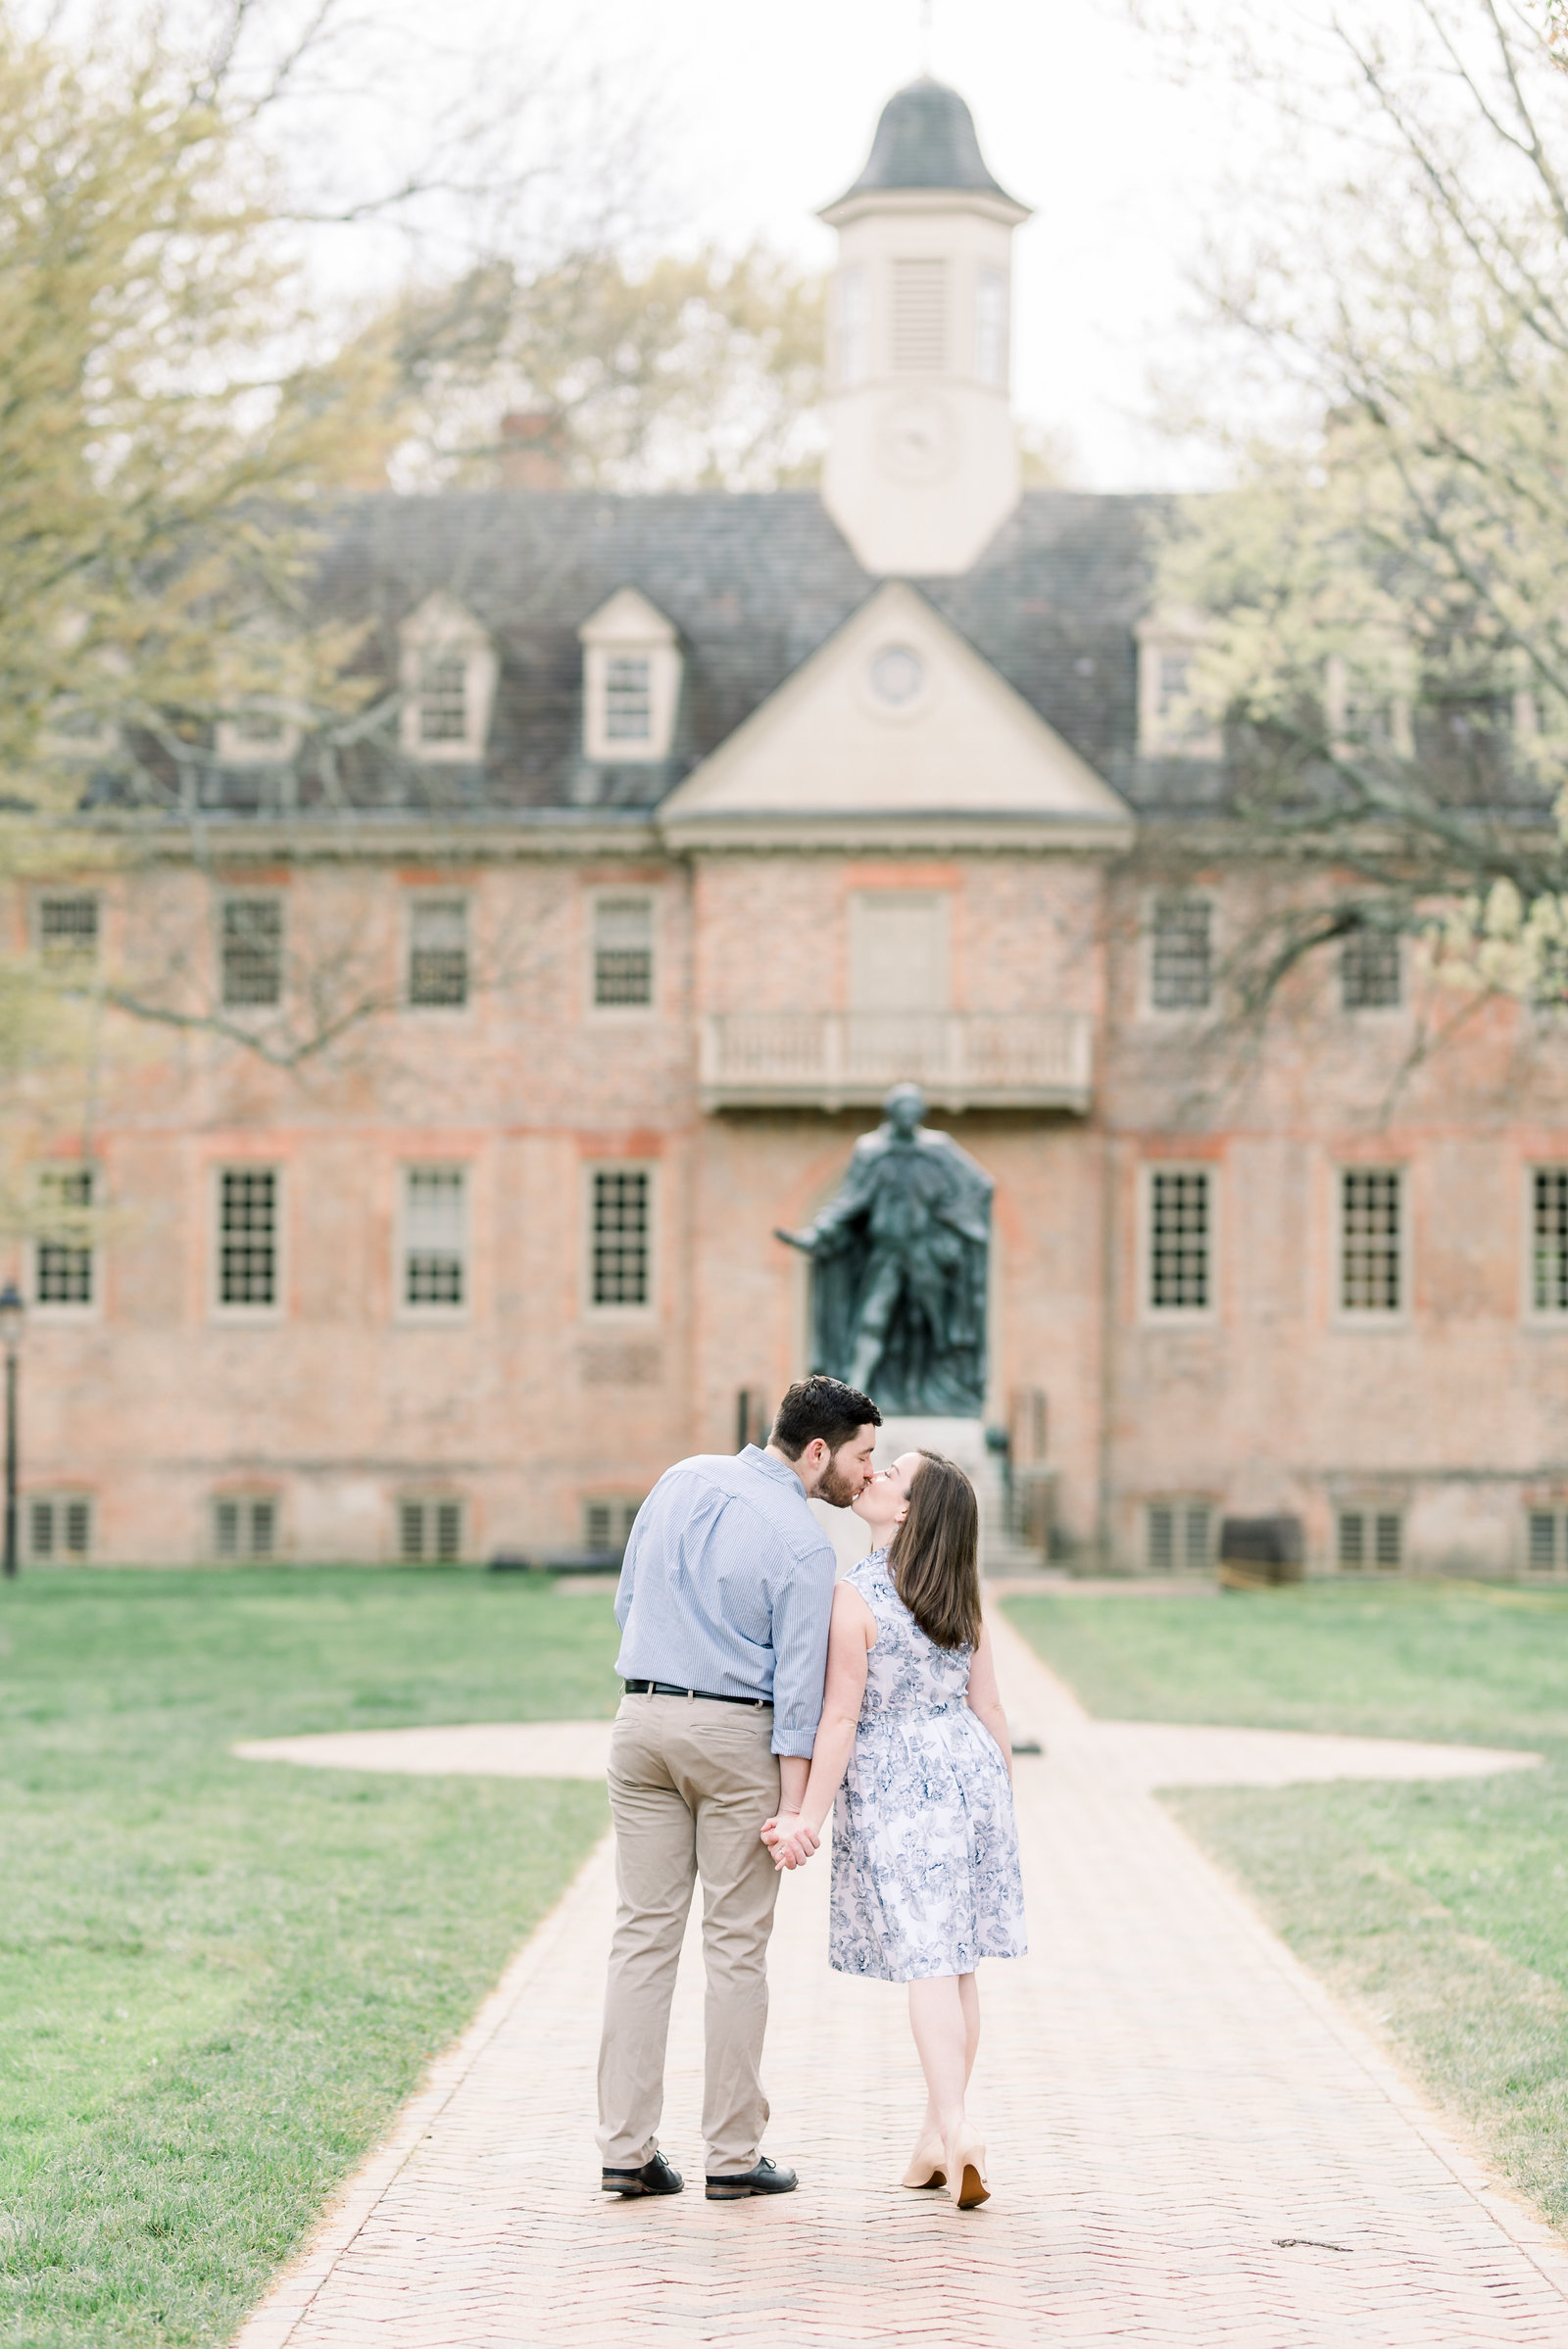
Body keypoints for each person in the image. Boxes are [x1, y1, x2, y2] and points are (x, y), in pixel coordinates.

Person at [596, 1375, 881, 2204]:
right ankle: (730, 2153)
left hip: (639, 1721)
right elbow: (799, 1696)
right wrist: (797, 1808)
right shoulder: (803, 1543)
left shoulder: (680, 1477)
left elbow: (627, 1602)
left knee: (641, 1937)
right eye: (861, 1456)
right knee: (734, 1947)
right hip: (736, 1739)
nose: (866, 1475)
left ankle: (624, 2148)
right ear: (818, 1450)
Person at [764, 1450, 1026, 2211]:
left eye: (891, 1475)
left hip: (898, 1784)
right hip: (972, 1771)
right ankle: (931, 2139)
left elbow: (840, 1717)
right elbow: (993, 1707)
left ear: (905, 1510)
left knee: (928, 1962)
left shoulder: (856, 1596)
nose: (873, 1476)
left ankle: (955, 2124)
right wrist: (1002, 1802)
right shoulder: (959, 1593)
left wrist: (806, 1816)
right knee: (959, 1962)